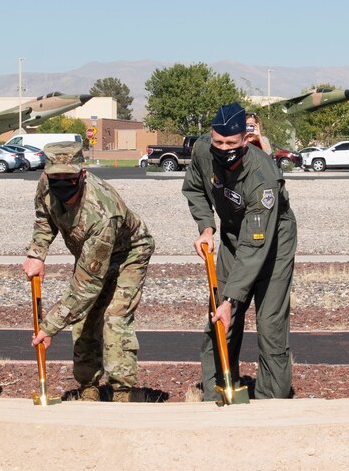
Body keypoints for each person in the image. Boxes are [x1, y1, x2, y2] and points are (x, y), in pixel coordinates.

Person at [22, 140, 156, 402]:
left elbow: (87, 287)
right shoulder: (46, 183)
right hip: (89, 251)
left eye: (68, 177)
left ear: (81, 174)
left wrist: (48, 327)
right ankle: (88, 389)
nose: (61, 182)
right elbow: (44, 218)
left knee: (114, 317)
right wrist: (37, 253)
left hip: (128, 254)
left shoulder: (103, 211)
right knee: (84, 320)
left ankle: (122, 393)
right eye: (55, 176)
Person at [183, 102, 296, 399]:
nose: (223, 148)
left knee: (270, 324)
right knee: (220, 320)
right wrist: (206, 227)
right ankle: (218, 390)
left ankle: (272, 399)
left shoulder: (263, 178)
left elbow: (255, 245)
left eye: (230, 143)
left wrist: (231, 299)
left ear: (245, 140)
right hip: (233, 235)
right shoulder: (203, 151)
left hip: (272, 243)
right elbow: (194, 188)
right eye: (218, 141)